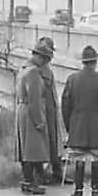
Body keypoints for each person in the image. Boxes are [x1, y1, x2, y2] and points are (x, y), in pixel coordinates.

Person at [61, 45, 98, 196]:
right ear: (95, 61)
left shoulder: (72, 79)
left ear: (83, 62)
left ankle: (78, 190)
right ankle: (96, 190)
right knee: (96, 158)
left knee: (78, 157)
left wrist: (69, 126)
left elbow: (65, 106)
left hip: (77, 124)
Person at [15, 40, 55, 194]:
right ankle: (31, 181)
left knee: (25, 148)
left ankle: (27, 180)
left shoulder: (23, 69)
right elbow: (35, 99)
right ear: (40, 57)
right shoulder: (33, 72)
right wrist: (39, 121)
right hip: (30, 112)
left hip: (22, 110)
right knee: (33, 148)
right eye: (45, 59)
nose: (45, 63)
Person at [36, 37, 63, 183]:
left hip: (51, 109)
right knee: (42, 142)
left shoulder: (48, 70)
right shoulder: (35, 70)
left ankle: (57, 171)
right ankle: (41, 173)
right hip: (42, 109)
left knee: (54, 141)